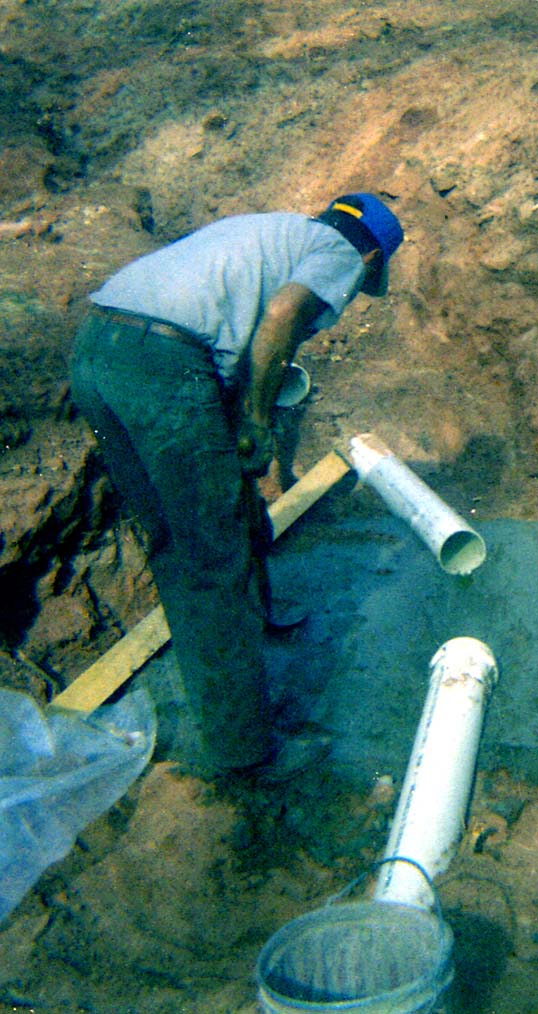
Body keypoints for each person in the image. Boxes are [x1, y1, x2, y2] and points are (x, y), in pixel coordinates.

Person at [70, 193, 404, 778]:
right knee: (211, 558)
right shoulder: (345, 251)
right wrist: (254, 419)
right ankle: (245, 752)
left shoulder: (271, 230)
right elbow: (280, 318)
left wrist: (241, 416)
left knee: (181, 534)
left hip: (98, 350)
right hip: (166, 365)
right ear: (372, 253)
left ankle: (260, 618)